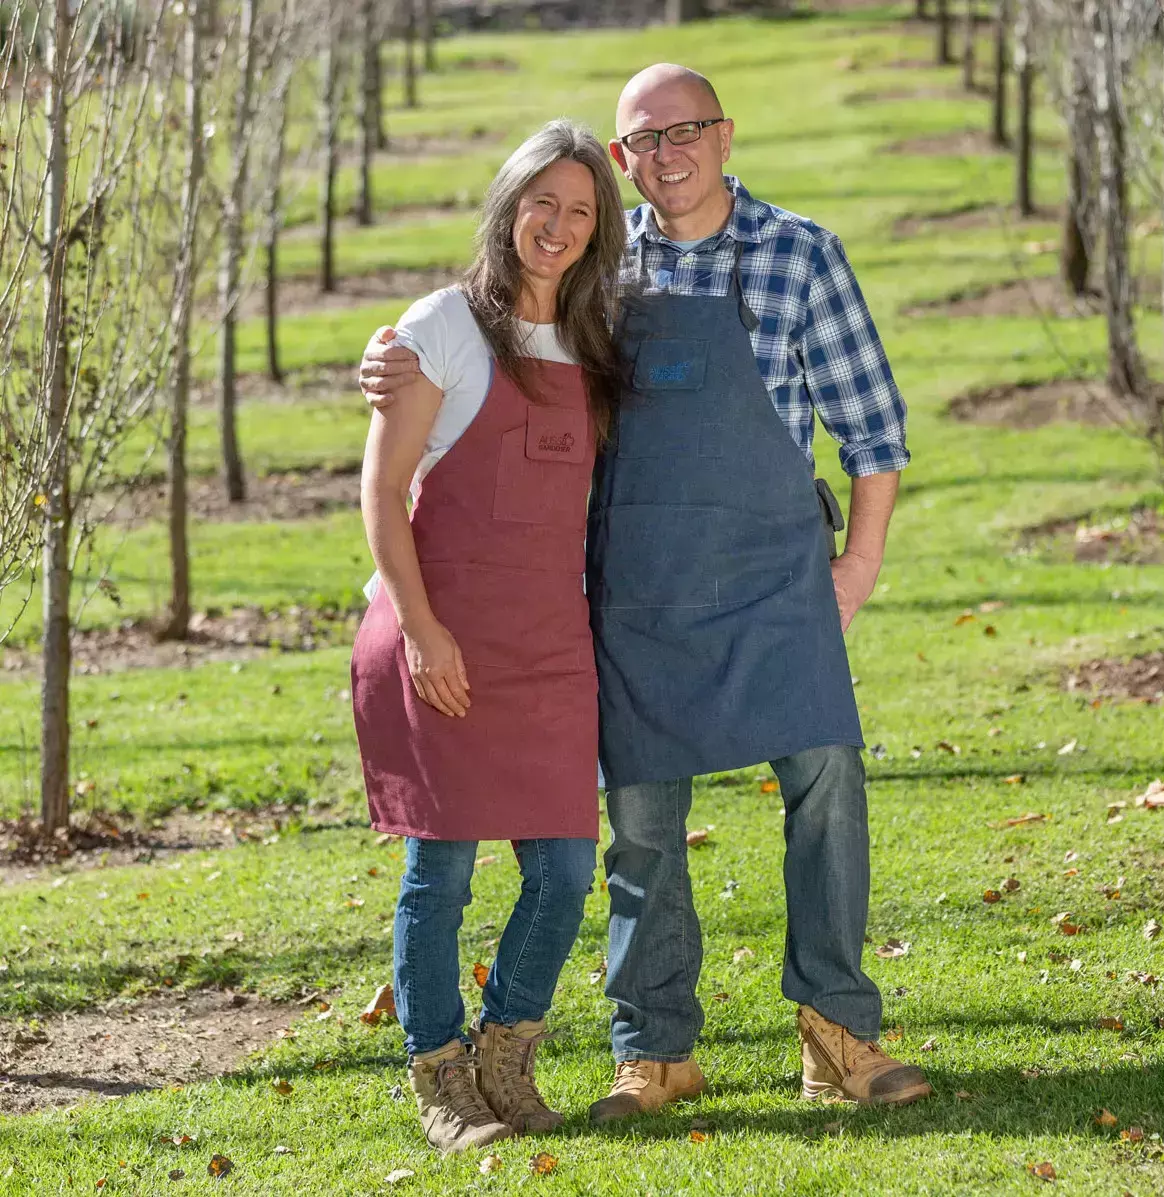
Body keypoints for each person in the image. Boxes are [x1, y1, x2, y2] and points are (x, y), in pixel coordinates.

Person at [358, 65, 931, 1124]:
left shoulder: (800, 254)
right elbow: (490, 333)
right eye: (643, 142)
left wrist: (858, 564)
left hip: (775, 580)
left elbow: (875, 431)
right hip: (632, 592)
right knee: (642, 826)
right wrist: (391, 353)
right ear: (623, 162)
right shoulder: (600, 276)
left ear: (724, 133)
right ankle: (655, 1050)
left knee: (827, 784)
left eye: (686, 132)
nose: (666, 156)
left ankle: (836, 1029)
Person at [350, 119, 625, 1154]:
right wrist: (423, 632)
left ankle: (505, 1052)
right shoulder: (444, 325)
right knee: (444, 873)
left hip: (551, 644)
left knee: (560, 871)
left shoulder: (596, 339)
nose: (554, 226)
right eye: (540, 202)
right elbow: (381, 491)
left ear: (598, 233)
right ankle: (439, 1076)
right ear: (508, 205)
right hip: (444, 639)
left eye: (580, 211)